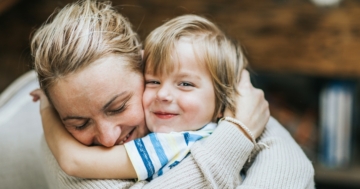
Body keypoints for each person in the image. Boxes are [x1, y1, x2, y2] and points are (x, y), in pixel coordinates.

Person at [30, 0, 315, 188]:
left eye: (118, 107)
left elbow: (296, 169)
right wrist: (237, 136)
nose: (106, 139)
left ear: (144, 65)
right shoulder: (61, 148)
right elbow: (73, 162)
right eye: (78, 123)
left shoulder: (193, 118)